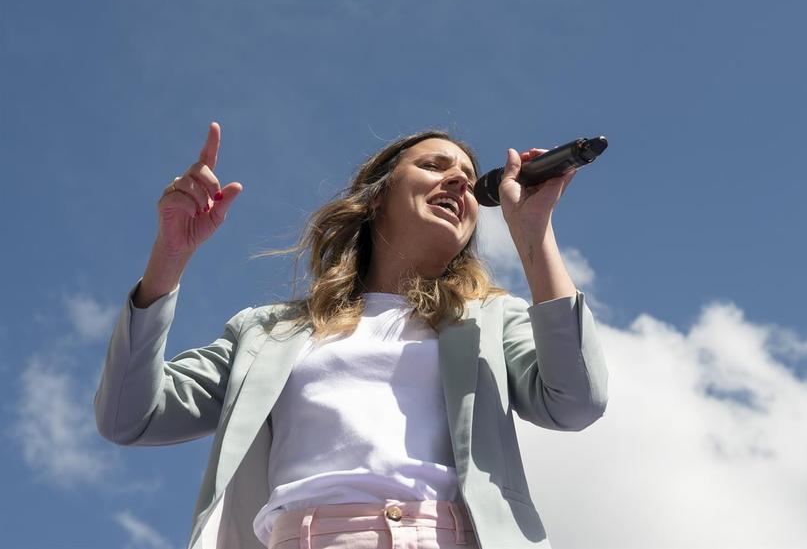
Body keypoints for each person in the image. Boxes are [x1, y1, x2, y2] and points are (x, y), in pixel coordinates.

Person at [94, 122, 609, 549]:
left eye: (470, 181)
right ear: (377, 197)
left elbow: (576, 401)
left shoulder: (490, 320)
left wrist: (534, 231)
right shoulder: (269, 332)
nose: (457, 181)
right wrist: (170, 257)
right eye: (433, 166)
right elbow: (128, 416)